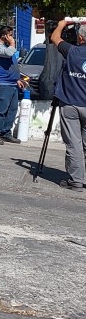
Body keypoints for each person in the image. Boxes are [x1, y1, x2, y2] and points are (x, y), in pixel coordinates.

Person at [51, 20, 86, 192]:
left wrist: (61, 24)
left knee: (74, 144)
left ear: (80, 37)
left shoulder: (72, 51)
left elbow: (55, 38)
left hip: (70, 104)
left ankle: (76, 181)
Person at [0, 26, 22, 145]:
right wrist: (12, 43)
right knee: (1, 110)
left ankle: (6, 132)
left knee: (12, 109)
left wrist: (17, 78)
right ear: (4, 36)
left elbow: (12, 63)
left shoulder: (8, 47)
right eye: (10, 35)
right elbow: (8, 54)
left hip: (12, 83)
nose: (12, 37)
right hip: (2, 83)